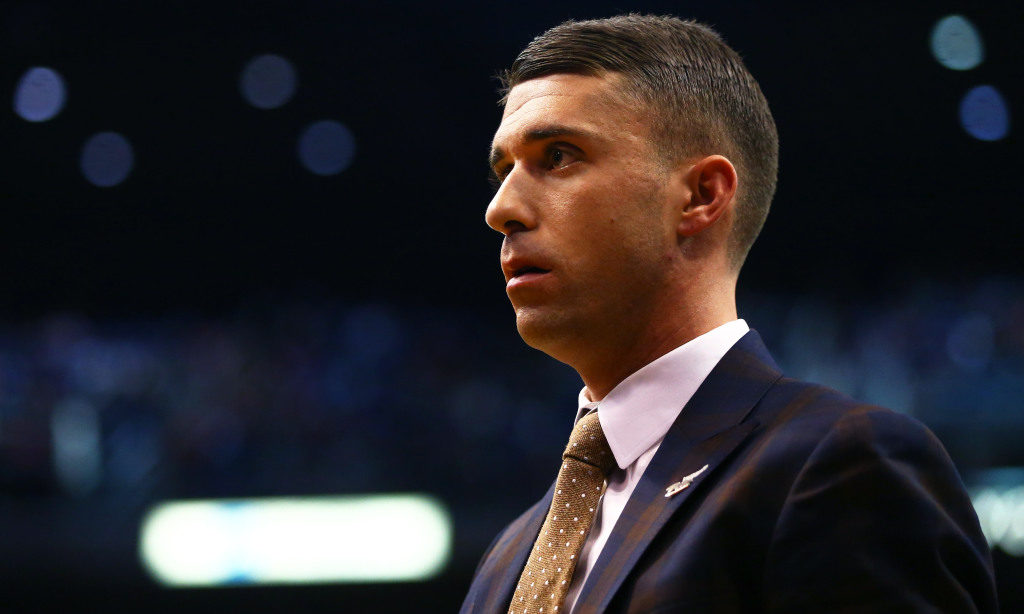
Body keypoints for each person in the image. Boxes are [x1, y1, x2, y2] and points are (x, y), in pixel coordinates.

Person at [461, 14, 997, 614]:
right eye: (504, 170)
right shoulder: (508, 558)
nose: (500, 208)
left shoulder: (839, 466)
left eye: (558, 155)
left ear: (701, 196)